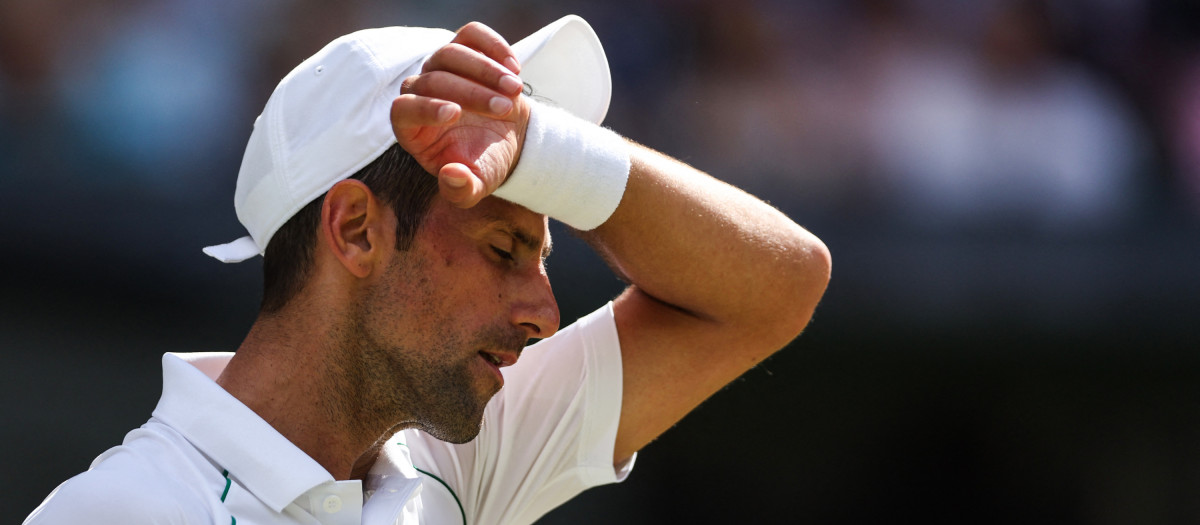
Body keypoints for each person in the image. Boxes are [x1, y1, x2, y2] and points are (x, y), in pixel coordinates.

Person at [24, 15, 830, 525]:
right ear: (355, 230)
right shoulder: (124, 510)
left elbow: (777, 287)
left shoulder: (444, 459)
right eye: (504, 250)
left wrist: (544, 147)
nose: (543, 313)